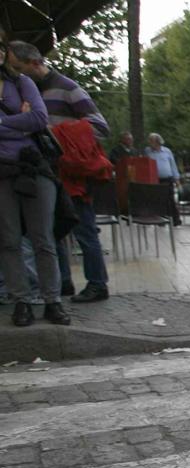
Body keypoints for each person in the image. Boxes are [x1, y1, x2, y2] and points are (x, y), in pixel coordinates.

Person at [7, 40, 112, 303]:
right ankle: (62, 282)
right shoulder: (22, 90)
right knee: (52, 230)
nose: (15, 72)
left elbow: (100, 126)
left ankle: (97, 283)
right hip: (47, 171)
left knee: (84, 229)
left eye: (19, 67)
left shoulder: (67, 88)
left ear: (34, 63)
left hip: (72, 172)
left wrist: (53, 132)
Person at [0, 38, 67, 326]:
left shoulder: (22, 82)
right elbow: (27, 122)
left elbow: (39, 119)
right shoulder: (18, 90)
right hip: (3, 173)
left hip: (33, 169)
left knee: (43, 240)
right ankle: (21, 301)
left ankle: (53, 300)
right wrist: (19, 121)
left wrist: (3, 125)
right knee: (10, 241)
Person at [146, 132, 182, 226]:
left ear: (157, 142)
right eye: (149, 141)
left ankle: (175, 220)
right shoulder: (147, 151)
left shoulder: (167, 151)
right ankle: (160, 220)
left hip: (167, 178)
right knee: (158, 199)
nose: (150, 143)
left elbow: (173, 165)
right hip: (155, 179)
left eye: (152, 141)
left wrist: (177, 179)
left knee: (170, 199)